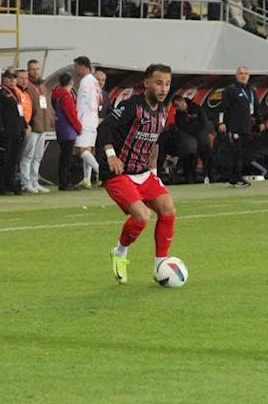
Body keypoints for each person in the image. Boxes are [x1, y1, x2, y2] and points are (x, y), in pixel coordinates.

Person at [98, 63, 175, 285]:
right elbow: (104, 128)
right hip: (118, 172)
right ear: (147, 83)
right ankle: (120, 253)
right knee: (142, 216)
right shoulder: (132, 106)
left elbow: (153, 143)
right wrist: (111, 155)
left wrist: (154, 173)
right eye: (159, 83)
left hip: (143, 171)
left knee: (168, 208)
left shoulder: (163, 110)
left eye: (167, 84)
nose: (163, 88)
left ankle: (161, 264)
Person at [217, 67, 257, 188]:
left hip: (246, 127)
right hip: (234, 126)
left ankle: (235, 178)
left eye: (245, 73)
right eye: (241, 73)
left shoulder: (251, 90)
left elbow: (256, 108)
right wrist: (221, 123)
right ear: (236, 75)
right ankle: (237, 177)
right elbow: (223, 108)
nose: (243, 76)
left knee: (243, 153)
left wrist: (260, 122)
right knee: (236, 152)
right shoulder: (231, 89)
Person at [0, 69, 27, 195]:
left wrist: (24, 126)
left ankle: (11, 183)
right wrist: (0, 129)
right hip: (6, 130)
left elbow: (19, 112)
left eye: (14, 78)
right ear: (4, 79)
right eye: (10, 78)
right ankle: (0, 186)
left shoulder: (16, 93)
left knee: (14, 158)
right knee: (4, 159)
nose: (12, 80)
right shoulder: (0, 92)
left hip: (16, 130)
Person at [20, 60, 54, 193]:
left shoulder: (42, 87)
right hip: (33, 125)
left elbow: (46, 105)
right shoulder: (27, 87)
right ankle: (25, 181)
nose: (36, 71)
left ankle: (35, 181)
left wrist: (49, 119)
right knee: (28, 155)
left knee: (38, 156)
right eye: (33, 69)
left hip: (43, 125)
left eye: (38, 69)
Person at [52, 73, 83, 191]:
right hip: (68, 130)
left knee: (64, 157)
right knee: (67, 157)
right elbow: (71, 114)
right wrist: (78, 127)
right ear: (71, 82)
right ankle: (66, 182)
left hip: (61, 129)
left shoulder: (57, 95)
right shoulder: (66, 96)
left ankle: (64, 181)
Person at [170, 95, 212, 184]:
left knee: (207, 161)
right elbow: (182, 128)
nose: (177, 108)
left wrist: (195, 130)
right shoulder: (178, 116)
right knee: (191, 162)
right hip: (190, 143)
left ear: (183, 102)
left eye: (178, 105)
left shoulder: (197, 108)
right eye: (175, 107)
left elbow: (204, 122)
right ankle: (191, 181)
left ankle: (210, 179)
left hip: (202, 140)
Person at [74, 56, 101, 188]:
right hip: (93, 119)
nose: (75, 69)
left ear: (82, 66)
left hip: (85, 119)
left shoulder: (85, 81)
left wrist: (76, 120)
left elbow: (82, 102)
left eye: (76, 66)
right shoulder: (95, 81)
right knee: (88, 150)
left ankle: (101, 172)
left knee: (80, 149)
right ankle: (87, 179)